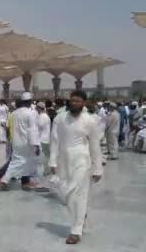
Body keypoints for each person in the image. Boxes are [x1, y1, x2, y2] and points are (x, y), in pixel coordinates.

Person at [49, 90, 103, 245]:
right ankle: (80, 216)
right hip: (64, 161)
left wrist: (97, 168)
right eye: (72, 100)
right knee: (67, 194)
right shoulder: (60, 119)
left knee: (77, 193)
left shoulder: (90, 121)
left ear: (84, 103)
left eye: (78, 101)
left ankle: (76, 230)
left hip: (82, 161)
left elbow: (95, 146)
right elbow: (54, 141)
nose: (74, 103)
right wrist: (52, 161)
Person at [0, 92, 40, 191]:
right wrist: (36, 145)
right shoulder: (31, 113)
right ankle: (6, 179)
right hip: (26, 142)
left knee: (18, 161)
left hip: (15, 141)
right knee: (25, 161)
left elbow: (8, 127)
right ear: (29, 102)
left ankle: (22, 182)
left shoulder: (13, 113)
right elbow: (32, 130)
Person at [36, 102, 51, 179]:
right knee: (46, 155)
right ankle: (47, 170)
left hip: (42, 139)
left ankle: (45, 171)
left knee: (44, 156)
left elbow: (40, 126)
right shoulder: (46, 116)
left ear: (39, 108)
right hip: (46, 138)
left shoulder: (42, 116)